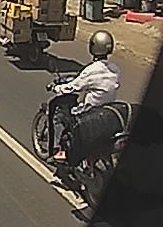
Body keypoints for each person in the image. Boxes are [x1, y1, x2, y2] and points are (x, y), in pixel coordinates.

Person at [51, 30, 124, 166]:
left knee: (63, 117)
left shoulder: (91, 70)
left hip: (89, 111)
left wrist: (57, 88)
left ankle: (62, 152)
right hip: (107, 111)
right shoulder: (115, 69)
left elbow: (74, 86)